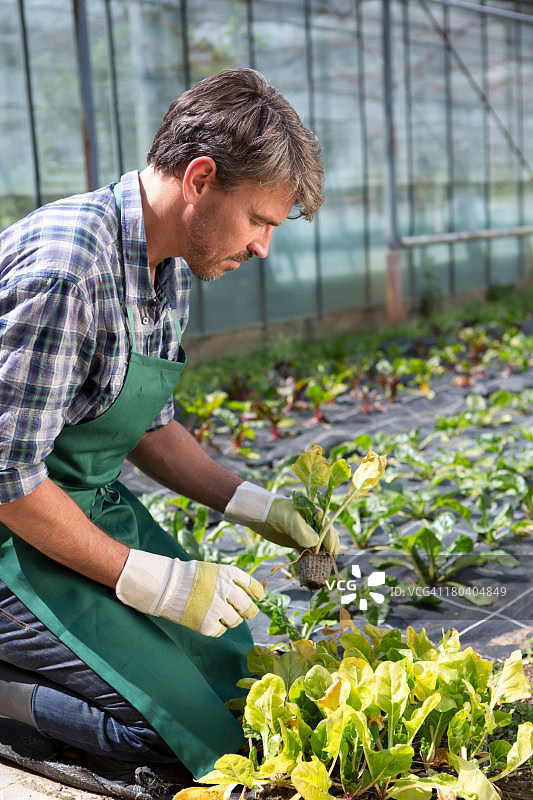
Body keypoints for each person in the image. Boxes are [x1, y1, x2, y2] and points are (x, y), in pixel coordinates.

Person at [0, 68, 338, 779]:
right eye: (260, 221)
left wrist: (259, 507)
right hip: (13, 530)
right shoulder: (69, 270)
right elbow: (6, 477)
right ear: (200, 179)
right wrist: (154, 583)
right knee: (165, 741)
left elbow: (150, 425)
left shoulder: (164, 263)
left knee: (235, 691)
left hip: (76, 514)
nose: (262, 248)